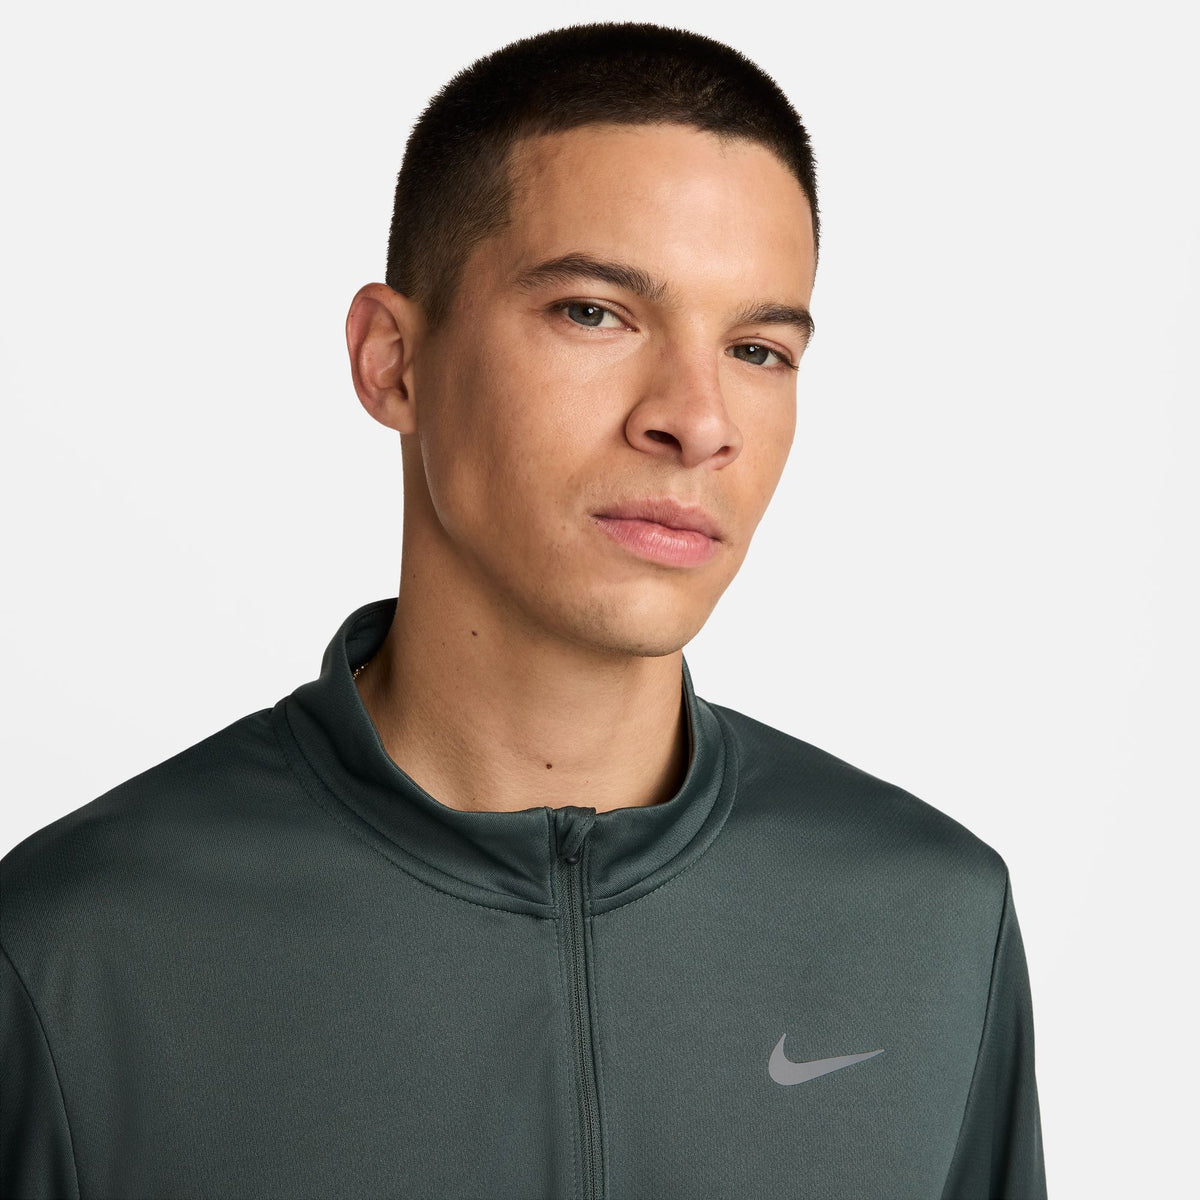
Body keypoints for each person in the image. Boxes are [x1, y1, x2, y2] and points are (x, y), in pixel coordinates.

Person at [0, 22, 1045, 1200]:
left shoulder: (932, 925)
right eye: (596, 313)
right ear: (392, 361)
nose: (697, 421)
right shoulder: (72, 953)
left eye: (757, 348)